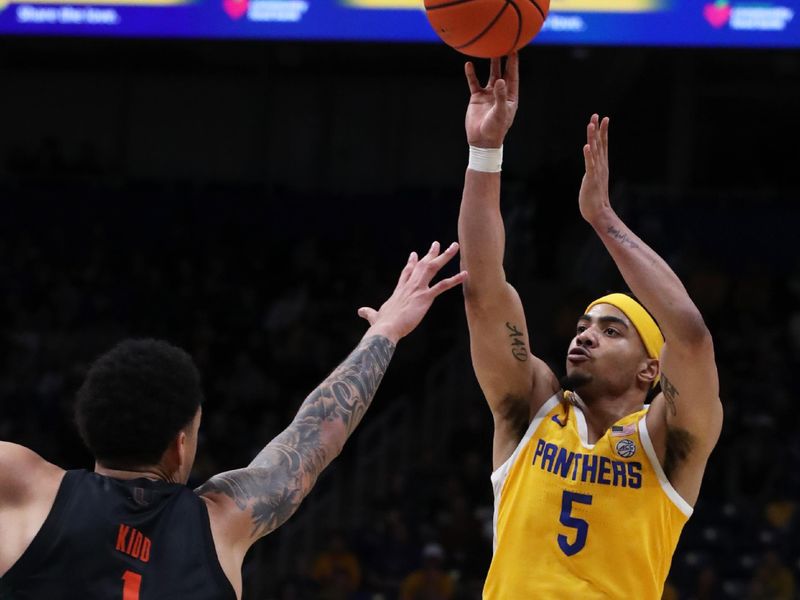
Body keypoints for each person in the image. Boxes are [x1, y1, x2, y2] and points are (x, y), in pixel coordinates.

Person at [0, 241, 466, 599]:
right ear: (179, 445)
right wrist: (386, 330)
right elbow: (315, 436)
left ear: (90, 427)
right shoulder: (222, 522)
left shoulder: (24, 485)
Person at [458, 53, 722, 598]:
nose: (584, 335)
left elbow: (690, 335)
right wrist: (485, 151)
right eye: (584, 325)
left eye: (611, 330)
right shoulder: (531, 409)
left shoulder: (667, 441)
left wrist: (603, 220)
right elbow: (484, 290)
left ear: (651, 369)